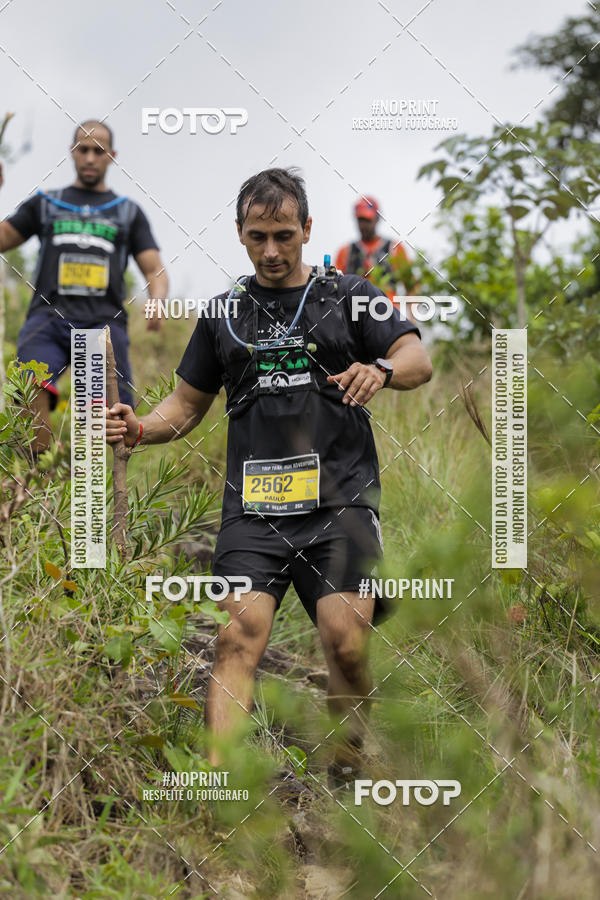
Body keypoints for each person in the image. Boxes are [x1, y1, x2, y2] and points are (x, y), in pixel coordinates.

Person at [106, 168, 432, 785]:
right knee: (237, 635)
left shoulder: (350, 295)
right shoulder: (223, 315)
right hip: (255, 513)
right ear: (239, 234)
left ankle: (346, 762)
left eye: (285, 234)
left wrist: (381, 371)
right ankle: (218, 783)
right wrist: (138, 429)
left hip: (341, 505)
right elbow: (185, 407)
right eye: (258, 236)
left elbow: (418, 358)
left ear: (308, 229)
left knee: (346, 642)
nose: (272, 251)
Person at [0, 119, 167, 452]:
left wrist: (157, 299)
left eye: (98, 150)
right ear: (72, 153)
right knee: (29, 387)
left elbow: (155, 269)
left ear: (111, 155)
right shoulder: (47, 203)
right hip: (48, 321)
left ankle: (105, 496)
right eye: (83, 149)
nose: (90, 157)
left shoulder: (127, 213)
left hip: (103, 326)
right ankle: (39, 479)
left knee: (115, 419)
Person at [335, 196, 413, 299]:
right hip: (356, 312)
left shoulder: (394, 249)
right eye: (360, 220)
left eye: (367, 220)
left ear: (377, 219)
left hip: (388, 310)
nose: (363, 225)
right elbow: (336, 288)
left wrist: (412, 314)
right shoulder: (345, 252)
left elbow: (410, 286)